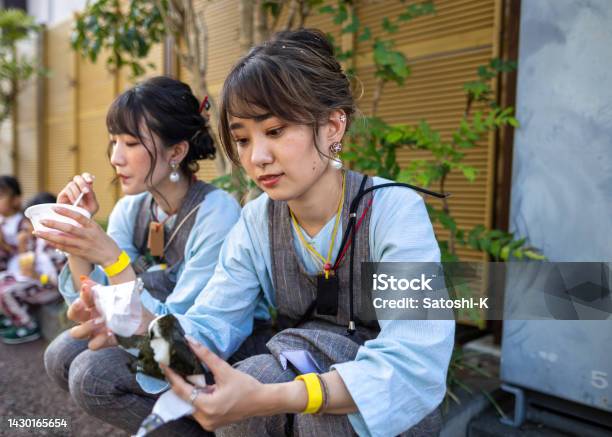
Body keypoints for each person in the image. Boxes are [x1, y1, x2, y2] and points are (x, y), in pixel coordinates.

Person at [157, 28, 454, 436]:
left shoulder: (393, 210)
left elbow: (415, 359)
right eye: (242, 139)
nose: (257, 157)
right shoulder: (257, 219)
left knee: (300, 410)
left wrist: (279, 395)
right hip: (292, 368)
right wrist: (139, 332)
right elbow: (212, 321)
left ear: (333, 127)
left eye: (275, 131)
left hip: (387, 409)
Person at [39, 76, 242, 435]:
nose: (116, 157)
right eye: (114, 141)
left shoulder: (216, 214)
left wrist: (114, 261)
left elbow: (180, 340)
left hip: (203, 349)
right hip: (148, 335)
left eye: (131, 143)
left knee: (92, 374)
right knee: (60, 354)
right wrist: (76, 233)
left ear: (177, 152)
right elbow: (94, 298)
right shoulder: (131, 209)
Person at [0, 192, 65, 344]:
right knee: (2, 279)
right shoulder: (38, 240)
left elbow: (60, 281)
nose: (27, 226)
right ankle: (15, 317)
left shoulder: (54, 246)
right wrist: (23, 246)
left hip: (50, 289)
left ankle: (27, 325)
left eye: (30, 221)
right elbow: (24, 264)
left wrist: (36, 276)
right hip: (37, 280)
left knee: (6, 290)